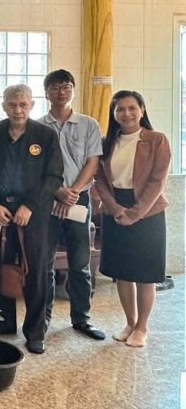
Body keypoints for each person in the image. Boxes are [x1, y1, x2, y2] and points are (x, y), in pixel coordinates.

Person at [0, 84, 63, 355]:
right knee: (0, 267)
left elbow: (54, 176)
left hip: (34, 214)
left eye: (23, 105)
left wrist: (29, 206)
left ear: (32, 105)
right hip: (1, 212)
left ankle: (35, 332)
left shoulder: (45, 135)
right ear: (4, 106)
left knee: (35, 271)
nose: (18, 110)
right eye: (13, 105)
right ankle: (3, 323)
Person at [94, 90, 170, 349]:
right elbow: (100, 180)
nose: (126, 114)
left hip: (148, 211)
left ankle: (142, 327)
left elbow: (158, 181)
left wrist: (136, 213)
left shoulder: (157, 140)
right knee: (122, 272)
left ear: (142, 110)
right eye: (120, 109)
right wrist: (115, 209)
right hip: (115, 208)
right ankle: (130, 322)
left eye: (131, 108)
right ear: (113, 114)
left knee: (145, 273)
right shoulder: (106, 143)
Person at [39, 69, 106, 341]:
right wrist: (58, 192)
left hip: (79, 200)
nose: (61, 91)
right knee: (45, 263)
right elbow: (35, 167)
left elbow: (93, 162)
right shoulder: (38, 127)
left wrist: (73, 192)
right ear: (46, 93)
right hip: (47, 201)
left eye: (66, 86)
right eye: (55, 87)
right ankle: (42, 320)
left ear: (73, 90)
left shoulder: (89, 124)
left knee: (80, 263)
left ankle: (82, 318)